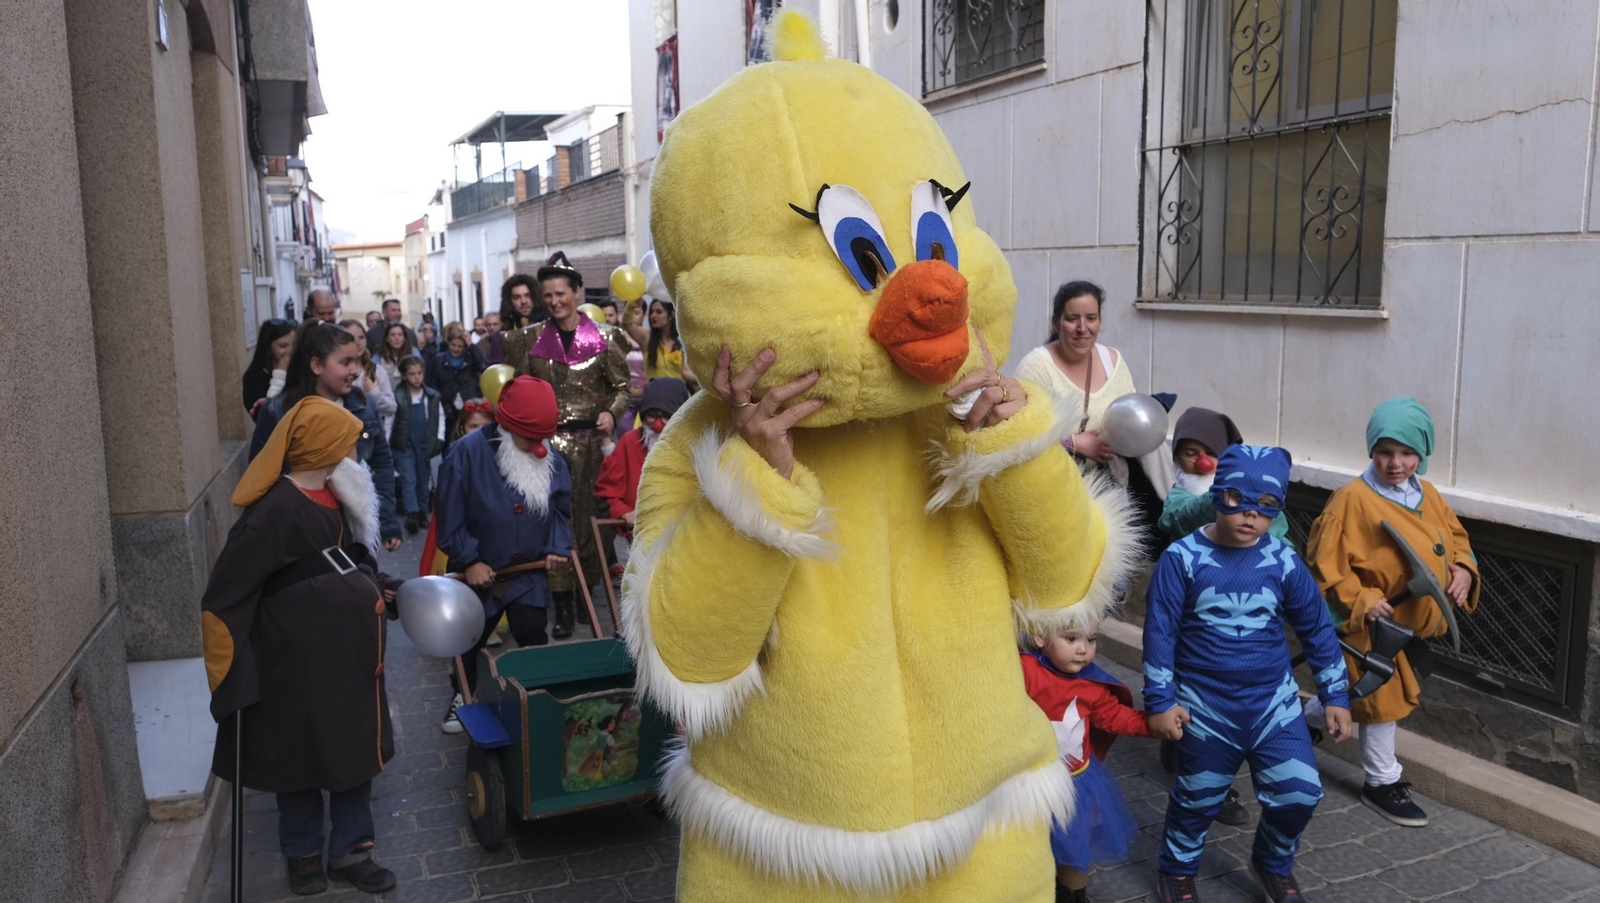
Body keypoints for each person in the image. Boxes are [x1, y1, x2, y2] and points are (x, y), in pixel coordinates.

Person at [203, 395, 401, 895]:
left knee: (352, 751)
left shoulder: (335, 495)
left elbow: (344, 559)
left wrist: (377, 585)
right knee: (298, 757)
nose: (356, 452)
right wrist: (232, 676)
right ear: (323, 449)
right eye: (349, 443)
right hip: (291, 668)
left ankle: (353, 850)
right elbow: (224, 598)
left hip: (348, 662)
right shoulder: (272, 512)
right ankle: (303, 853)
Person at [1143, 445, 1352, 903]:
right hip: (1205, 707)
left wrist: (1335, 694)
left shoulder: (1283, 561)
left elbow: (1317, 629)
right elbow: (1159, 632)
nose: (1251, 515)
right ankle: (1177, 869)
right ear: (1218, 492)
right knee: (1199, 797)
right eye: (1237, 499)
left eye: (1267, 505)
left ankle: (1272, 862)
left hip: (1273, 706)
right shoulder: (1182, 559)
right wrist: (1160, 701)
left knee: (1299, 793)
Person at [1305, 398, 1478, 829]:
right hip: (1370, 624)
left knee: (1357, 695)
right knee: (1384, 701)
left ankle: (1297, 721)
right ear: (1371, 450)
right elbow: (1324, 565)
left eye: (1406, 453)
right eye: (1384, 452)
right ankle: (1382, 781)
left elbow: (1456, 538)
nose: (1395, 463)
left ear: (1422, 452)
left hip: (1409, 625)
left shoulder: (1428, 494)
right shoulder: (1350, 500)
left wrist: (1463, 569)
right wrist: (1361, 599)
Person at [434, 376, 574, 733]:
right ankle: (463, 694)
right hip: (479, 572)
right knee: (469, 640)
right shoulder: (465, 454)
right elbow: (449, 518)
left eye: (543, 439)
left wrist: (557, 547)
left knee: (532, 631)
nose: (538, 448)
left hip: (527, 573)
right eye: (529, 439)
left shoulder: (550, 458)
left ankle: (535, 695)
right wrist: (469, 559)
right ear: (507, 427)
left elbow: (560, 510)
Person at [503, 252, 630, 638]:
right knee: (553, 521)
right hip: (546, 449)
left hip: (592, 447)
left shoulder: (606, 337)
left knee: (592, 523)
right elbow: (520, 391)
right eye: (548, 295)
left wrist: (611, 412)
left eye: (561, 293)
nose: (554, 301)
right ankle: (560, 603)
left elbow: (622, 388)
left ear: (577, 292)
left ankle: (586, 592)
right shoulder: (527, 339)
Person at [1021, 623, 1151, 903]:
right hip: (1027, 785)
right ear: (1039, 635)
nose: (1083, 649)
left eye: (1091, 639)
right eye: (1071, 638)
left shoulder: (1092, 683)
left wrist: (1152, 724)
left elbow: (1114, 716)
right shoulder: (1025, 671)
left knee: (1075, 847)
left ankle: (1073, 896)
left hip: (1076, 784)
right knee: (1027, 845)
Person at [250, 322, 403, 552]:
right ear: (316, 365)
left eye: (356, 361)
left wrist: (387, 522)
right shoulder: (278, 411)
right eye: (345, 362)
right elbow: (261, 477)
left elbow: (381, 464)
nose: (355, 370)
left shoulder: (364, 406)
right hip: (302, 535)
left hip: (355, 535)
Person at [1159, 407, 1291, 547]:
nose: (1203, 463)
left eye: (1212, 453)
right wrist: (1218, 494)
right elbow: (1180, 517)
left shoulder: (1259, 493)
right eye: (1190, 453)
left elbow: (1278, 537)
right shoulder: (1176, 498)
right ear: (1177, 457)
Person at [596, 378, 689, 533]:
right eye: (652, 415)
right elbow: (607, 491)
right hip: (634, 536)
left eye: (666, 417)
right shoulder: (629, 442)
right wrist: (623, 511)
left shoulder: (691, 447)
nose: (658, 424)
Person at [390, 356, 444, 535]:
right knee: (408, 478)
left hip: (424, 443)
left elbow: (439, 417)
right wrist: (388, 441)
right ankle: (411, 514)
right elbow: (390, 419)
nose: (416, 377)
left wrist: (439, 438)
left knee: (423, 479)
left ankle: (422, 511)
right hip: (404, 443)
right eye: (412, 374)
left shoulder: (432, 396)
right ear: (404, 375)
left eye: (419, 373)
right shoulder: (397, 396)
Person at [340, 319, 398, 436]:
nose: (358, 343)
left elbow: (391, 408)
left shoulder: (376, 371)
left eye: (361, 337)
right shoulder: (337, 371)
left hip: (373, 434)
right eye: (352, 338)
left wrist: (374, 392)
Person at [427, 322, 483, 441]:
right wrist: (443, 404)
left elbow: (482, 365)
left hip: (470, 406)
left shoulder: (470, 358)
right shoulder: (438, 360)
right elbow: (433, 384)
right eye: (453, 345)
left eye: (460, 346)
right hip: (449, 410)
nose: (456, 349)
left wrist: (471, 344)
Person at [243, 318, 296, 418]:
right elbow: (266, 417)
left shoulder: (299, 369)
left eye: (294, 344)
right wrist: (280, 374)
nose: (290, 351)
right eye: (283, 346)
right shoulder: (253, 378)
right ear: (268, 348)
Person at [377, 322, 416, 390]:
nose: (396, 338)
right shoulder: (378, 356)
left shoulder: (414, 354)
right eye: (392, 335)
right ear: (387, 338)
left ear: (404, 338)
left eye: (400, 335)